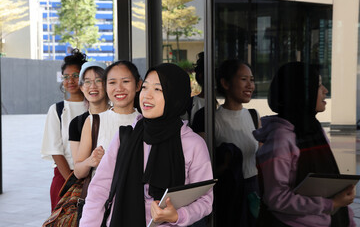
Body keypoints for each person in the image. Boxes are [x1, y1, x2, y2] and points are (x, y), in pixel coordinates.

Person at [80, 63, 213, 227]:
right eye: (145, 88)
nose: (147, 96)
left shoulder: (194, 144)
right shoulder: (125, 137)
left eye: (158, 89)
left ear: (175, 96)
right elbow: (99, 190)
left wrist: (178, 215)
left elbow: (205, 200)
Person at [254, 62, 355, 227]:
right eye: (319, 85)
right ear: (301, 93)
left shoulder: (314, 130)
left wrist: (344, 212)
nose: (325, 91)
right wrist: (331, 204)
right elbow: (276, 198)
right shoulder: (281, 139)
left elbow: (329, 180)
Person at [74, 60, 141, 179]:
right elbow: (78, 172)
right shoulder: (93, 121)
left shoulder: (144, 121)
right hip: (100, 196)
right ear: (106, 86)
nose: (119, 88)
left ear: (138, 85)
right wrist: (90, 161)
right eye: (112, 82)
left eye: (125, 81)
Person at [214, 59, 260, 226]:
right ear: (225, 83)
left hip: (254, 190)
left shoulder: (253, 116)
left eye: (252, 79)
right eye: (243, 79)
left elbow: (259, 159)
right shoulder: (215, 121)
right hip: (229, 195)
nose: (250, 85)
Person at [41, 49, 87, 211]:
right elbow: (55, 150)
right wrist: (72, 182)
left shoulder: (97, 108)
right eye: (66, 77)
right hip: (65, 177)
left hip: (93, 176)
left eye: (75, 75)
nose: (70, 81)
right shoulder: (57, 110)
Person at [68, 61, 109, 160]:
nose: (93, 86)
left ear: (108, 85)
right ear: (81, 87)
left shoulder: (119, 116)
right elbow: (78, 167)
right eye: (87, 81)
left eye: (98, 80)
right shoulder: (76, 124)